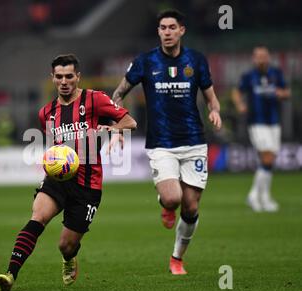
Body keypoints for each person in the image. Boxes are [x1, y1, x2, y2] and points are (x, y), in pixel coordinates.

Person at [0, 54, 137, 291]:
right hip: (58, 180)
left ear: (77, 77)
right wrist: (51, 163)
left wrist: (113, 129)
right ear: (52, 78)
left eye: (69, 76)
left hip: (87, 185)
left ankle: (69, 258)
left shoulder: (95, 99)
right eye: (59, 77)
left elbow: (130, 121)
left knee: (66, 245)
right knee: (37, 217)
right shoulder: (46, 113)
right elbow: (55, 145)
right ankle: (10, 274)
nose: (64, 81)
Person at [111, 10, 222, 275]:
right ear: (159, 31)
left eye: (172, 27)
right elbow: (117, 94)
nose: (167, 32)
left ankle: (176, 258)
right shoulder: (146, 61)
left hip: (194, 141)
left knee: (192, 206)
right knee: (173, 198)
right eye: (163, 28)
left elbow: (211, 97)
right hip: (161, 143)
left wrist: (215, 110)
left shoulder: (196, 60)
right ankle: (166, 205)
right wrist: (117, 128)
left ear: (182, 30)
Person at [231, 46, 291, 212]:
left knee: (269, 160)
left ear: (268, 58)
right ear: (253, 59)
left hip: (274, 121)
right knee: (267, 158)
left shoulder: (276, 73)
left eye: (264, 56)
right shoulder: (249, 76)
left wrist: (282, 94)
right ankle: (257, 196)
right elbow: (236, 92)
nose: (261, 59)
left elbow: (287, 92)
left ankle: (261, 196)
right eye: (258, 57)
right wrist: (240, 104)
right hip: (257, 122)